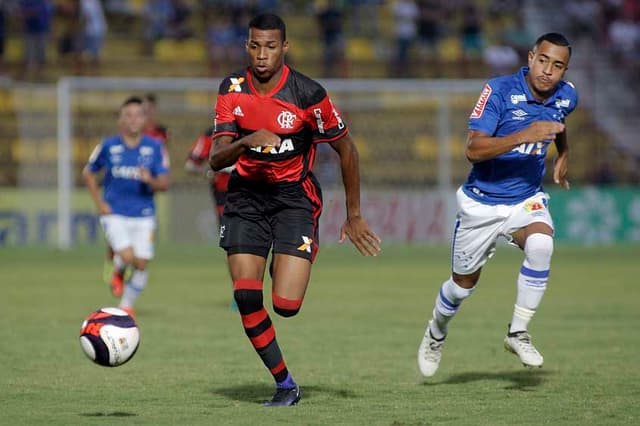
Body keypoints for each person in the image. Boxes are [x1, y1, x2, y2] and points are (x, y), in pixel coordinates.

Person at [209, 13, 381, 406]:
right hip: (246, 198)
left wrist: (353, 214)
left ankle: (282, 252)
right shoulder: (232, 88)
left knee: (286, 306)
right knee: (247, 296)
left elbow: (346, 148)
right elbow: (217, 160)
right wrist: (248, 140)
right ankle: (285, 384)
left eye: (270, 46)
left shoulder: (308, 93)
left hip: (293, 198)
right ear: (246, 46)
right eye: (255, 46)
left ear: (284, 47)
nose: (262, 55)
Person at [417, 32, 578, 377]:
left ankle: (518, 332)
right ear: (531, 57)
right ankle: (436, 332)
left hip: (525, 199)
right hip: (481, 205)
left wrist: (563, 154)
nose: (549, 70)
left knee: (541, 244)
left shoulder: (567, 95)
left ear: (565, 70)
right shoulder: (499, 90)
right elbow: (472, 150)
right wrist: (523, 135)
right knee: (461, 287)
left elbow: (560, 122)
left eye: (558, 65)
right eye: (544, 60)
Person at [83, 96, 170, 317]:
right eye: (128, 115)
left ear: (145, 119)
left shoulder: (155, 147)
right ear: (121, 119)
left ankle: (125, 306)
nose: (133, 119)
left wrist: (150, 180)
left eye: (138, 115)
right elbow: (89, 172)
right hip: (115, 212)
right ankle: (118, 265)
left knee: (141, 264)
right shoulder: (108, 145)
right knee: (129, 256)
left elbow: (164, 184)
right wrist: (99, 203)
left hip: (144, 213)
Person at [185, 126, 232, 222]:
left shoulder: (252, 131)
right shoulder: (213, 133)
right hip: (223, 193)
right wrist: (208, 171)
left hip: (252, 192)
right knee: (227, 231)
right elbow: (191, 165)